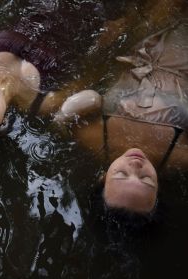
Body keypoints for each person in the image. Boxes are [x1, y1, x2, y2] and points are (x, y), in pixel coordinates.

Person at [0, 0, 185, 140]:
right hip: (95, 11)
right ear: (3, 123)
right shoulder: (43, 102)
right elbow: (90, 69)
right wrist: (115, 31)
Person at [40, 20, 188, 214]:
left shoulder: (98, 140)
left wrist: (68, 112)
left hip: (142, 42)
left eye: (122, 174)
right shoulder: (178, 158)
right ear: (158, 187)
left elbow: (66, 117)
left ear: (103, 177)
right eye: (146, 179)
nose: (136, 166)